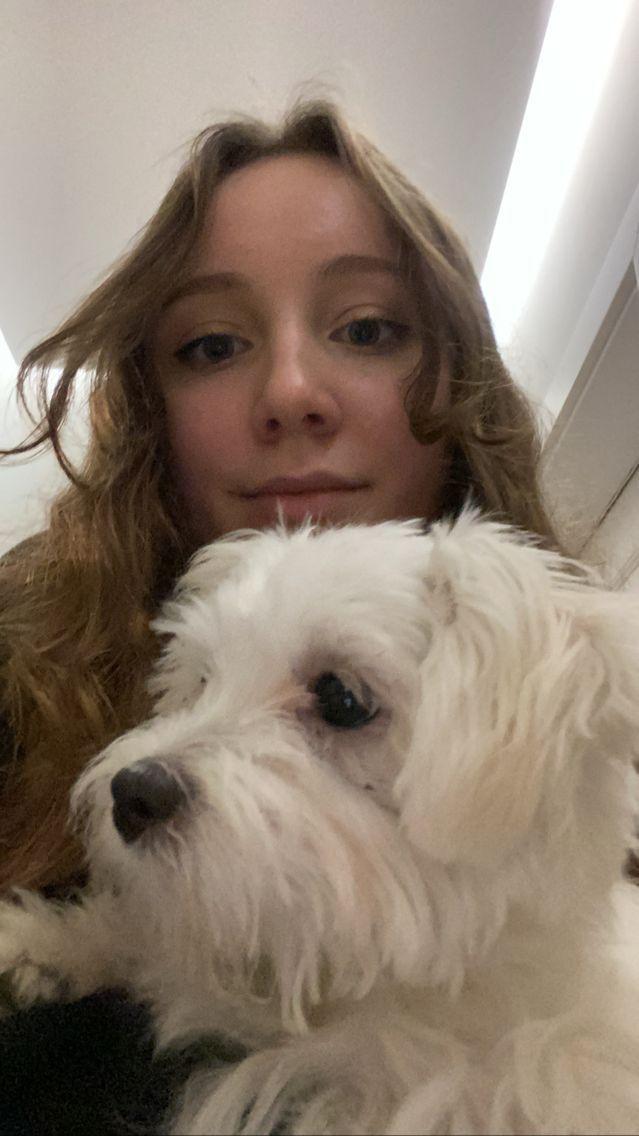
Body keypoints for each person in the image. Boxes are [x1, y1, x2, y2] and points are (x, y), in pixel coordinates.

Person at [0, 95, 560, 1133]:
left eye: (368, 328)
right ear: (151, 406)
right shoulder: (14, 670)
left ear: (460, 385)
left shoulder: (579, 739)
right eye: (213, 345)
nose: (291, 390)